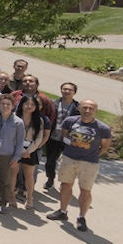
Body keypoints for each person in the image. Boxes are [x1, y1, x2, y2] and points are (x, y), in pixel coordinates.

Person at [46, 99, 111, 232]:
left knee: (85, 191)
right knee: (65, 186)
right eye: (85, 107)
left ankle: (81, 217)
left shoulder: (103, 128)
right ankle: (63, 211)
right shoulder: (70, 121)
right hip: (69, 159)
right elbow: (65, 136)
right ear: (80, 108)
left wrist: (93, 155)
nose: (87, 111)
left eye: (91, 108)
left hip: (89, 163)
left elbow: (105, 146)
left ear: (95, 111)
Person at [15, 94, 49, 210]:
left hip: (30, 150)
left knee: (29, 176)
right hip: (16, 149)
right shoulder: (15, 117)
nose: (29, 106)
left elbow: (39, 138)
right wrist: (20, 149)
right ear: (22, 105)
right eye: (26, 104)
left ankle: (30, 198)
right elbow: (11, 135)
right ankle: (11, 196)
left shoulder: (39, 120)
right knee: (13, 173)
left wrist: (28, 151)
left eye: (32, 105)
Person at [45, 82, 79, 190]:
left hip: (68, 139)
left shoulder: (78, 107)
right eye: (64, 89)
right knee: (50, 160)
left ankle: (64, 181)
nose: (67, 91)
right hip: (53, 137)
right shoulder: (53, 103)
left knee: (67, 163)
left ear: (74, 92)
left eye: (70, 90)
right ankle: (50, 179)